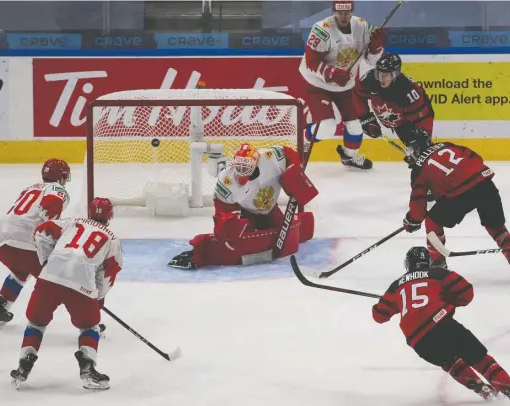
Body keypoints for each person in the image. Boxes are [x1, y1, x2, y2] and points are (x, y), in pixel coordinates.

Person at [372, 247, 510, 406]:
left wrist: (394, 304)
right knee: (480, 359)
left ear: (408, 264)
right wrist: (446, 299)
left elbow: (379, 316)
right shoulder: (438, 274)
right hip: (442, 324)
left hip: (418, 341)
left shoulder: (395, 287)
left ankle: (481, 388)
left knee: (449, 361)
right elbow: (466, 292)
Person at [10, 198, 122, 391]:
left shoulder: (71, 222)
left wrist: (46, 261)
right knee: (90, 327)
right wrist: (97, 296)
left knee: (37, 323)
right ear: (109, 216)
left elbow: (42, 231)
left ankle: (24, 363)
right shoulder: (112, 240)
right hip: (81, 283)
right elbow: (109, 272)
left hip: (49, 277)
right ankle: (87, 367)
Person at [168, 144, 317, 269]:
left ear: (257, 161)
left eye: (246, 166)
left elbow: (289, 153)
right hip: (247, 212)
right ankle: (200, 251)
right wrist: (227, 224)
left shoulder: (270, 157)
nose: (241, 170)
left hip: (270, 208)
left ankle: (303, 224)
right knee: (235, 238)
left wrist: (293, 169)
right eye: (239, 165)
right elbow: (222, 207)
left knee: (283, 231)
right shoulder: (227, 179)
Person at [400, 128, 510, 277]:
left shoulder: (418, 169)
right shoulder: (447, 145)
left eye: (410, 149)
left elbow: (418, 209)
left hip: (458, 195)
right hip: (484, 184)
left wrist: (411, 220)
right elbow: (476, 158)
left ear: (417, 148)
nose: (409, 153)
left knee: (432, 222)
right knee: (495, 225)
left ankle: (438, 264)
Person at [299, 0, 384, 170]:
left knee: (355, 128)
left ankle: (349, 157)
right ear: (333, 11)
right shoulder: (322, 29)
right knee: (327, 127)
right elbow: (311, 62)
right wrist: (332, 73)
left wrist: (376, 48)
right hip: (318, 84)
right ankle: (301, 141)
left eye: (347, 12)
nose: (344, 16)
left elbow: (371, 60)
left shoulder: (363, 27)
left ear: (352, 11)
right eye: (340, 12)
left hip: (345, 86)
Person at [0, 158, 71, 328]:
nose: (65, 180)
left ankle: (1, 308)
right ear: (59, 177)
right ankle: (88, 321)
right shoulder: (57, 189)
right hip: (26, 238)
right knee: (60, 281)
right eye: (64, 176)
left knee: (19, 271)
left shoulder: (30, 187)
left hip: (2, 240)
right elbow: (52, 208)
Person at [352, 53, 434, 144]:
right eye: (379, 73)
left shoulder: (407, 90)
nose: (382, 78)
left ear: (395, 74)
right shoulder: (370, 80)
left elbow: (424, 116)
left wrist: (423, 132)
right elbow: (357, 94)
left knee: (419, 147)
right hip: (397, 118)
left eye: (386, 74)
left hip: (410, 119)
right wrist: (365, 117)